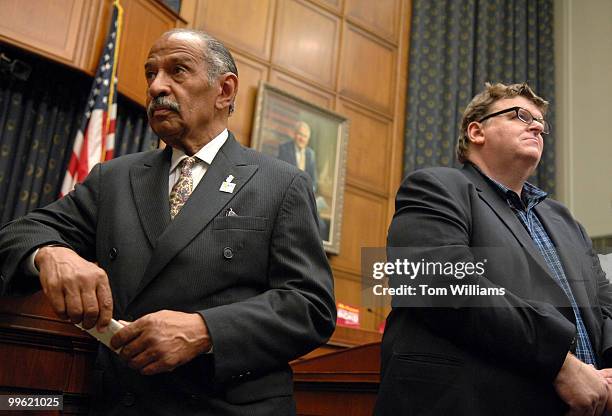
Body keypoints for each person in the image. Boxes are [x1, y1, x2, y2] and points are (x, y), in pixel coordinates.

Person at [0, 29, 335, 415]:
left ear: (224, 91)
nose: (157, 86)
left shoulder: (280, 182)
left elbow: (310, 305)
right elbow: (17, 233)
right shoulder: (115, 178)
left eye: (177, 71)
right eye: (150, 74)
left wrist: (205, 330)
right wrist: (51, 253)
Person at [374, 82, 612, 415]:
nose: (537, 126)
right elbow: (438, 283)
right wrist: (559, 361)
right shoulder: (435, 187)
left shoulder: (565, 220)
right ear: (476, 131)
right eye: (520, 115)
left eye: (541, 123)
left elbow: (605, 304)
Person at [278, 121, 318, 193]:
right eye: (300, 134)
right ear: (294, 134)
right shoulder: (284, 148)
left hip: (303, 195)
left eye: (305, 136)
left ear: (308, 139)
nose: (302, 139)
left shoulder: (311, 154)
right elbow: (279, 174)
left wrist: (309, 192)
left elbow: (313, 181)